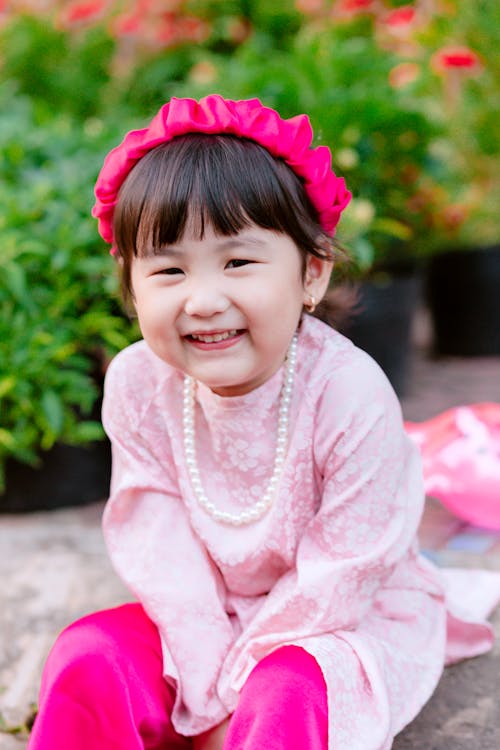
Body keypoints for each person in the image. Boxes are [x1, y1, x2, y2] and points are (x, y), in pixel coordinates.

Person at [28, 95, 500, 750]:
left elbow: (344, 570)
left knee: (285, 695)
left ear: (311, 274)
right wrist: (207, 680)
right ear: (132, 287)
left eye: (239, 262)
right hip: (200, 616)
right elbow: (155, 537)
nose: (204, 299)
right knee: (91, 654)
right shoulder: (139, 384)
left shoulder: (349, 394)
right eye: (167, 270)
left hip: (330, 619)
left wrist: (236, 692)